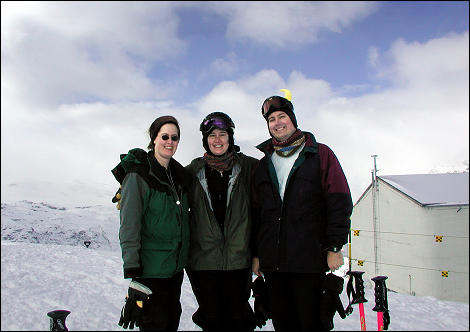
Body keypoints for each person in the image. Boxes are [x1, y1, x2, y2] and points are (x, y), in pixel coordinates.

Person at [251, 92, 353, 331]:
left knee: (311, 323)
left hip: (309, 260)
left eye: (282, 116)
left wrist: (335, 247)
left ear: (293, 119)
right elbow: (257, 213)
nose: (277, 123)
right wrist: (256, 254)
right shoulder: (264, 164)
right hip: (274, 264)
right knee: (283, 324)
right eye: (271, 119)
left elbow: (339, 201)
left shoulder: (319, 154)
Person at [111, 115, 193, 331]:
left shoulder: (178, 176)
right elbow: (129, 227)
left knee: (170, 322)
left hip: (174, 273)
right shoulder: (138, 176)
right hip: (150, 274)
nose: (170, 142)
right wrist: (135, 276)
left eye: (174, 138)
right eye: (164, 136)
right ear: (154, 138)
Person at [185, 112, 259, 331]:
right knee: (212, 319)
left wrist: (257, 253)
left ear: (231, 137)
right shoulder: (193, 171)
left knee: (238, 318)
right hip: (203, 262)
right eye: (212, 135)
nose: (217, 140)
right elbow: (164, 180)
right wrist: (131, 177)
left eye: (222, 134)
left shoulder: (249, 168)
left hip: (238, 260)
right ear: (205, 141)